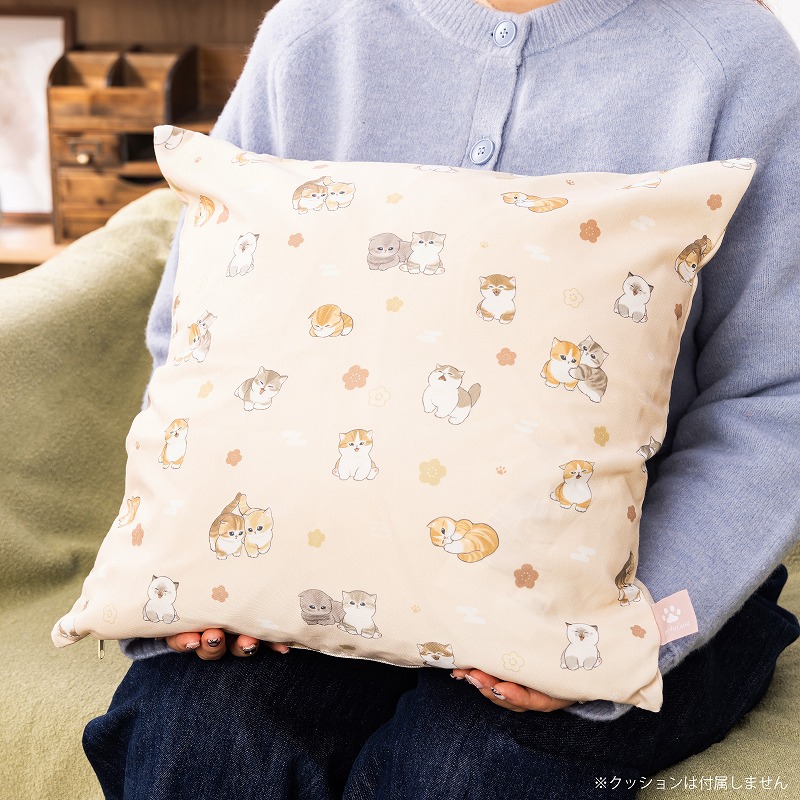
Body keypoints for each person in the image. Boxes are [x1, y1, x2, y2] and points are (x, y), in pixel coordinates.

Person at [82, 0, 800, 797]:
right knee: (201, 739)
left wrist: (630, 630)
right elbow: (199, 330)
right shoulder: (313, 35)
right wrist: (208, 552)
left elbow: (777, 396)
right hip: (315, 556)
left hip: (630, 573)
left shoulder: (733, 56)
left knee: (460, 770)